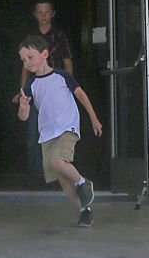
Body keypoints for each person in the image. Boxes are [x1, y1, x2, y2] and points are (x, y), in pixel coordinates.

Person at [17, 35, 103, 226]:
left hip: (66, 127)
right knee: (63, 180)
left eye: (30, 57)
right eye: (23, 60)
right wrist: (23, 107)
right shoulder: (31, 85)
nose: (27, 62)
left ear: (45, 54)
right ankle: (84, 211)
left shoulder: (62, 76)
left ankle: (82, 182)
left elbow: (81, 95)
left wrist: (94, 119)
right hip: (47, 133)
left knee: (57, 162)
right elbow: (24, 117)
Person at [18, 0, 74, 180]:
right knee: (34, 134)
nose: (43, 16)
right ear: (34, 14)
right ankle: (37, 175)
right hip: (35, 89)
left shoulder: (59, 35)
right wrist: (22, 90)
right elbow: (25, 66)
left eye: (47, 12)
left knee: (58, 134)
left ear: (53, 14)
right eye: (39, 12)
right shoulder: (30, 36)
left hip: (57, 90)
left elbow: (67, 62)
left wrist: (69, 86)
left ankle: (57, 175)